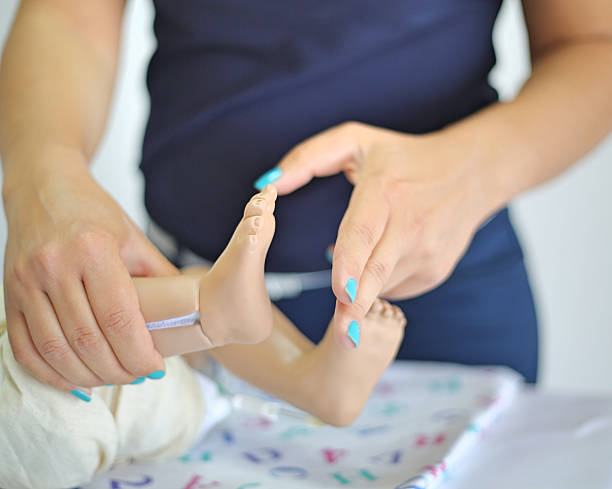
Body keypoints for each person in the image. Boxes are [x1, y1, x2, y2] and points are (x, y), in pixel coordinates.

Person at [1, 0, 611, 396]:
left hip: (440, 303)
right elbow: (68, 14)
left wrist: (474, 170)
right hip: (177, 283)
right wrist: (41, 176)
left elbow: (595, 43)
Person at [0, 186, 406, 489]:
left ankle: (303, 374)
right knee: (37, 359)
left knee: (58, 310)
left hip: (162, 391)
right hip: (62, 420)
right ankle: (212, 308)